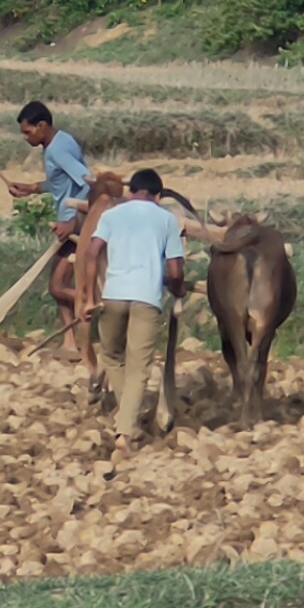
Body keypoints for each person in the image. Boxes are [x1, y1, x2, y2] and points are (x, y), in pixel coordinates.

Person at [82, 168, 187, 451]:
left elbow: (92, 253)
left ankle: (127, 419)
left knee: (112, 355)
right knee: (139, 368)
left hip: (113, 294)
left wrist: (91, 298)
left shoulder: (111, 216)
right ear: (158, 196)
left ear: (131, 192)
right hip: (147, 299)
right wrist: (175, 287)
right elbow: (176, 270)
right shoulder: (167, 220)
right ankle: (125, 432)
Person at [9, 100, 90, 352]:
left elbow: (87, 182)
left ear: (41, 126)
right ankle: (69, 342)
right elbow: (60, 181)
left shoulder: (57, 150)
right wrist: (32, 188)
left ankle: (97, 304)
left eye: (27, 131)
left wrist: (72, 220)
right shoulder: (59, 142)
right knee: (58, 284)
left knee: (57, 286)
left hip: (75, 223)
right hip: (71, 220)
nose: (25, 137)